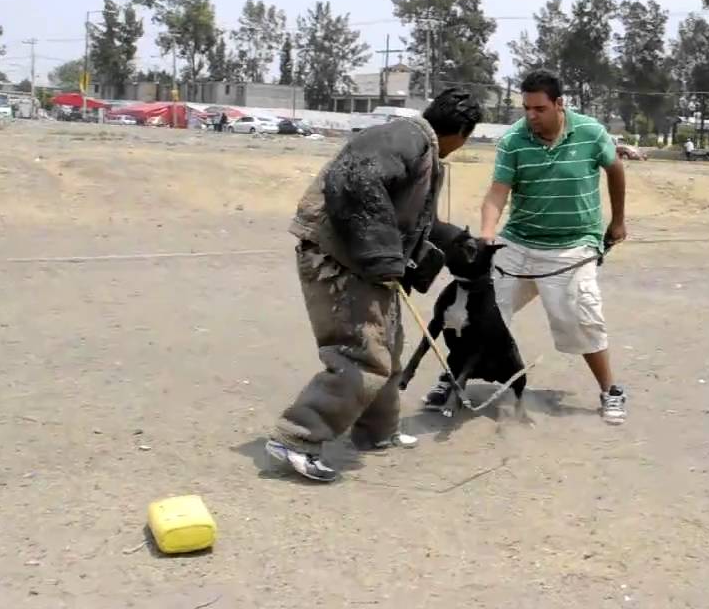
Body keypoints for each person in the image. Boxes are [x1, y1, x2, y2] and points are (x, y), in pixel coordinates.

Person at [265, 88, 484, 482]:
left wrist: (452, 239)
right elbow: (356, 180)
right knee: (363, 354)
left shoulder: (422, 149)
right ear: (463, 132)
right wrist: (383, 256)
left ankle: (378, 431)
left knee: (388, 347)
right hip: (339, 259)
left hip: (367, 261)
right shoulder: (405, 138)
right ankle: (297, 436)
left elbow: (407, 216)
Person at [422, 69, 629, 424]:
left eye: (539, 108)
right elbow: (497, 193)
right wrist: (487, 235)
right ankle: (453, 378)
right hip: (518, 242)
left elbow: (615, 170)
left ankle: (610, 390)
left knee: (580, 317)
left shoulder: (591, 133)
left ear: (559, 104)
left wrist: (617, 221)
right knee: (476, 313)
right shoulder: (514, 141)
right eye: (526, 108)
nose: (531, 116)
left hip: (573, 245)